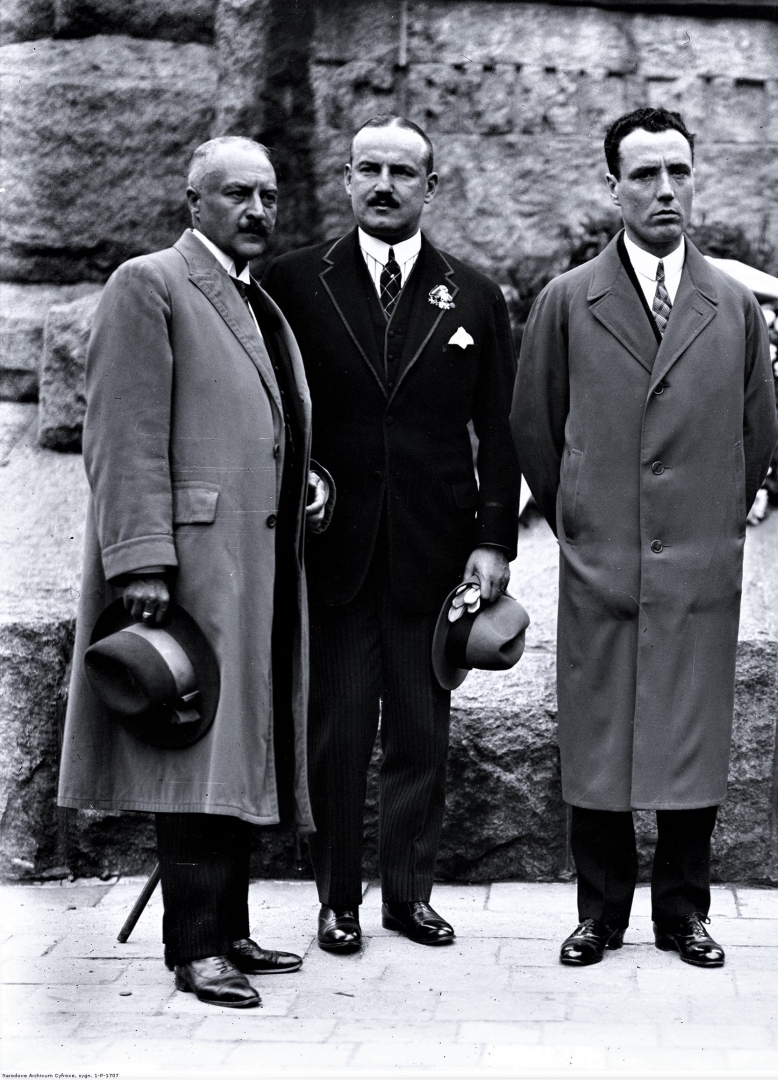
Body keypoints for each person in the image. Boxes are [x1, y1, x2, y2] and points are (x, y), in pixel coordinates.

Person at [57, 137, 328, 1008]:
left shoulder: (254, 298)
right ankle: (196, 949)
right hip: (188, 569)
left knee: (237, 747)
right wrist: (140, 560)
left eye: (269, 196)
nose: (257, 210)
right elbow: (122, 432)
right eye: (237, 193)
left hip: (254, 563)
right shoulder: (150, 283)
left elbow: (266, 426)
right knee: (195, 751)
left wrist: (303, 486)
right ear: (194, 201)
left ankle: (230, 929)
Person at [513, 107, 778, 969]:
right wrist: (582, 518)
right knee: (599, 737)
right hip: (605, 557)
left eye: (679, 172)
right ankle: (599, 913)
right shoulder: (567, 301)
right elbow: (534, 426)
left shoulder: (733, 305)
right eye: (645, 175)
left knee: (692, 737)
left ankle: (684, 914)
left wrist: (715, 520)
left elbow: (758, 435)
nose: (666, 190)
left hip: (699, 559)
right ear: (613, 188)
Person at [262, 117, 520, 954]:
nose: (383, 184)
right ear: (345, 178)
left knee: (419, 733)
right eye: (368, 168)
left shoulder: (474, 295)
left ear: (430, 188)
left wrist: (494, 540)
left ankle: (409, 897)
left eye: (402, 172)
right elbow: (269, 410)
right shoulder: (293, 283)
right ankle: (337, 900)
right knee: (336, 734)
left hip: (432, 556)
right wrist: (294, 485)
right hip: (332, 548)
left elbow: (500, 431)